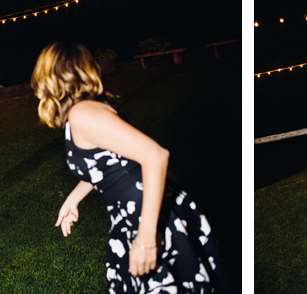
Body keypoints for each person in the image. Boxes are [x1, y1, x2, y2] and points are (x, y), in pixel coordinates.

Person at [37, 41, 218, 293]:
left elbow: (155, 156)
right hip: (137, 215)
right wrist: (73, 199)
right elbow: (106, 164)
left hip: (147, 217)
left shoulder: (83, 113)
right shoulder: (87, 110)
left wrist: (146, 238)